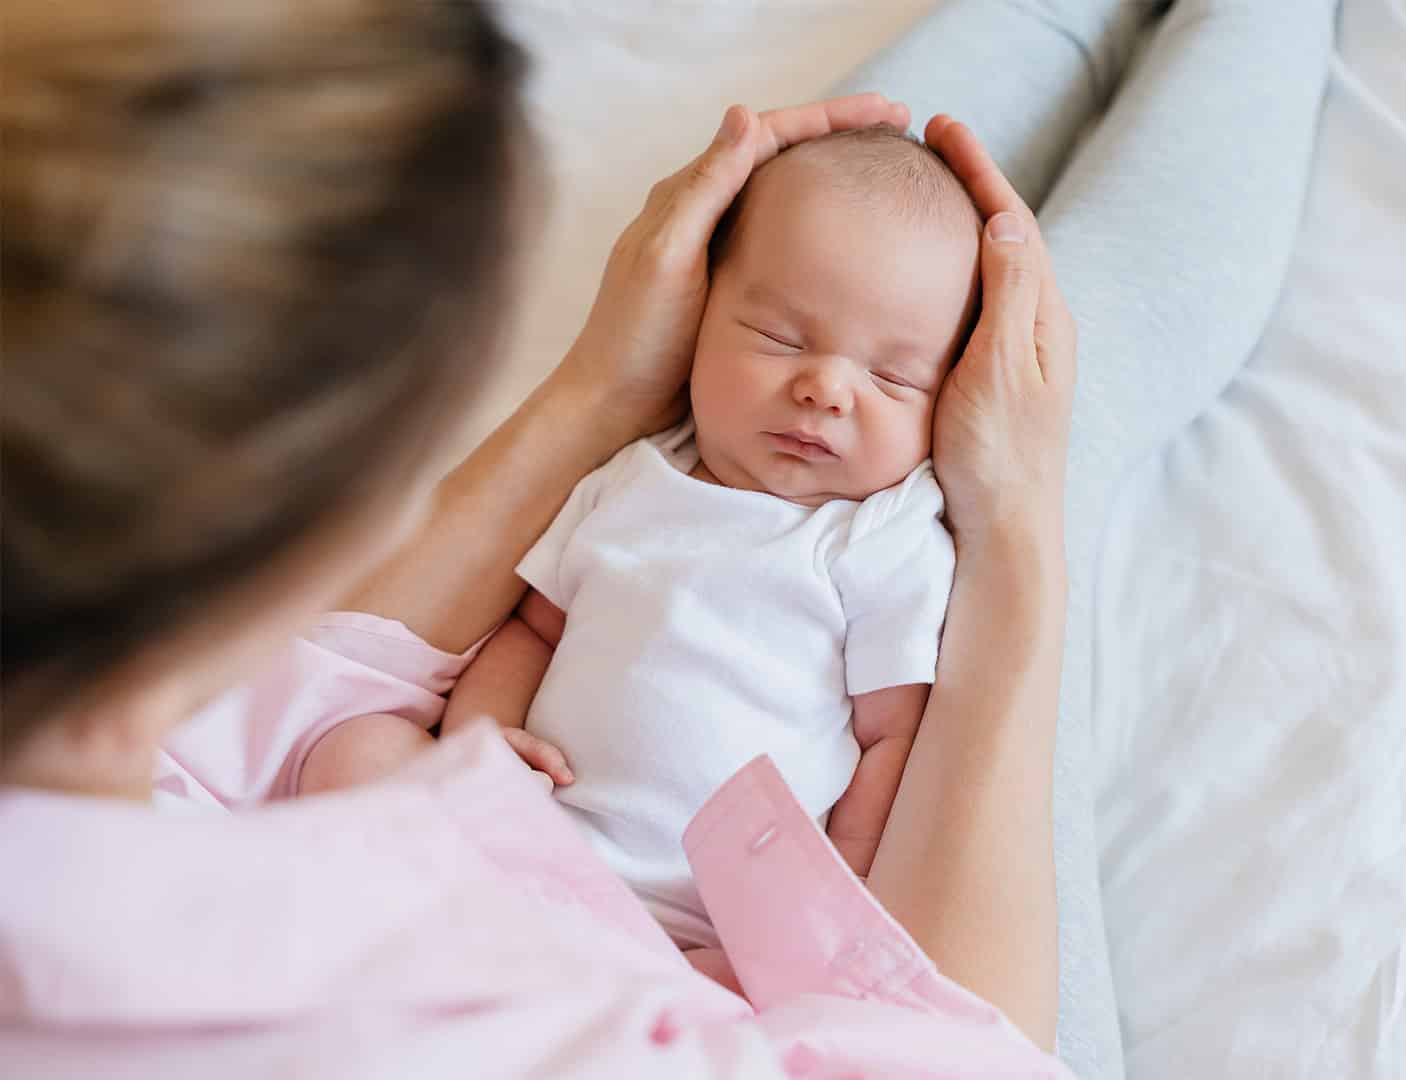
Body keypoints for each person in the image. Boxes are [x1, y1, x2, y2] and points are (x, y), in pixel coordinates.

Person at [1, 0, 1337, 1076]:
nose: (824, 386)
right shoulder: (527, 1012)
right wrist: (1019, 527)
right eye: (767, 332)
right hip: (742, 941)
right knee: (1061, 394)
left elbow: (329, 684)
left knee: (887, 239)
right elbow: (944, 1043)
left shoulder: (173, 804)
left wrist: (605, 383)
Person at [300, 129, 979, 977]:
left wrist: (828, 895)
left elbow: (892, 743)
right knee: (355, 749)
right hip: (520, 840)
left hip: (689, 926)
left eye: (894, 379)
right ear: (697, 318)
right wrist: (481, 734)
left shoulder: (880, 539)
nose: (826, 389)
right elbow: (533, 631)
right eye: (778, 336)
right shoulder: (632, 481)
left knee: (781, 988)